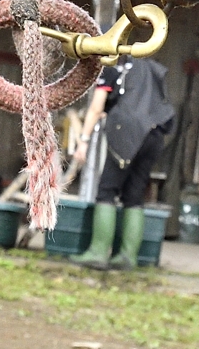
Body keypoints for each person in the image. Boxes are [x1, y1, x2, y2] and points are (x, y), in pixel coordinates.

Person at [71, 56, 175, 269]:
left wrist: (83, 140)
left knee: (107, 190)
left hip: (126, 132)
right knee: (134, 194)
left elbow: (96, 108)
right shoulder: (149, 67)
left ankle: (98, 253)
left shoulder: (110, 68)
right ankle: (128, 257)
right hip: (154, 135)